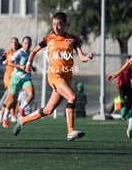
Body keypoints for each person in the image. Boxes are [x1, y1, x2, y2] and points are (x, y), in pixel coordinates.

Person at [13, 12, 93, 141]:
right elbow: (33, 51)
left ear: (65, 25)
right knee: (72, 96)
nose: (56, 27)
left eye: (59, 25)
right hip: (54, 75)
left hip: (66, 77)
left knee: (48, 110)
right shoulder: (48, 39)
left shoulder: (72, 39)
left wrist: (87, 57)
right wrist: (28, 63)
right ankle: (70, 131)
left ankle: (22, 120)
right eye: (54, 24)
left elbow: (82, 57)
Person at [1, 36, 35, 128]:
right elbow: (9, 62)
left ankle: (21, 107)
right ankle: (5, 118)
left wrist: (32, 67)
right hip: (16, 78)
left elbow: (28, 64)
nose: (27, 45)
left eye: (29, 43)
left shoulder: (31, 53)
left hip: (26, 78)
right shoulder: (18, 53)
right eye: (26, 43)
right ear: (23, 43)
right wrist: (20, 66)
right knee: (11, 100)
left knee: (31, 95)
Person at [0, 37, 21, 124]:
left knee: (14, 97)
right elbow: (1, 60)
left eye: (15, 42)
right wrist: (4, 62)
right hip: (8, 77)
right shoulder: (7, 53)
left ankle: (3, 111)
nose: (14, 44)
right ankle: (11, 115)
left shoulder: (20, 52)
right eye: (12, 43)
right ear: (10, 44)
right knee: (12, 95)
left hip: (17, 77)